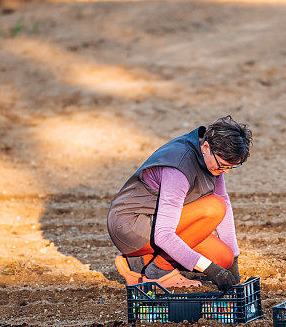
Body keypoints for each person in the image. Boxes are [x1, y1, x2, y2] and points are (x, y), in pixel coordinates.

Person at [107, 116, 251, 290]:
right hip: (130, 226)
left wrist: (234, 261)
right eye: (222, 166)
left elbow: (226, 202)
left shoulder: (212, 159)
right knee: (213, 207)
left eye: (230, 167)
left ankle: (139, 264)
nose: (225, 172)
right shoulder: (179, 168)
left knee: (224, 257)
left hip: (155, 222)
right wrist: (210, 270)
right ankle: (160, 270)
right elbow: (164, 234)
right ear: (206, 147)